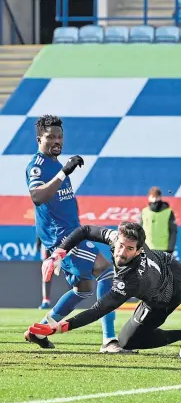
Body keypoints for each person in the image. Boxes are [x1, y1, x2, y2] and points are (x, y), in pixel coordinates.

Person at [28, 222, 181, 359]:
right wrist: (59, 253)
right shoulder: (115, 237)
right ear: (117, 239)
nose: (121, 253)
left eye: (129, 249)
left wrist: (60, 328)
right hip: (167, 262)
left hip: (164, 298)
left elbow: (99, 309)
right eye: (121, 245)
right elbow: (86, 230)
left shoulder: (130, 279)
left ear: (139, 250)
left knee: (127, 341)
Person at [24, 115, 122, 353]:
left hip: (71, 232)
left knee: (84, 288)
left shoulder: (55, 164)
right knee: (106, 271)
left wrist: (62, 171)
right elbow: (37, 197)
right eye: (50, 137)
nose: (57, 141)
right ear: (39, 139)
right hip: (61, 236)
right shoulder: (37, 165)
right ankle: (109, 340)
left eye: (59, 136)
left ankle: (40, 329)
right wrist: (64, 173)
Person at [139, 186, 177, 253]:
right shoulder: (144, 211)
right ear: (149, 197)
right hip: (147, 248)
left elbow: (173, 231)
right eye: (152, 197)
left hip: (164, 249)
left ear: (160, 197)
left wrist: (170, 248)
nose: (154, 200)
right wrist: (139, 246)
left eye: (156, 197)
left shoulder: (168, 212)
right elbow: (140, 231)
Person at [37, 235, 52, 310]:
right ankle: (45, 301)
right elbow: (40, 226)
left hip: (63, 244)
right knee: (46, 274)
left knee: (69, 272)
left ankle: (70, 301)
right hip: (47, 245)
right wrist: (39, 243)